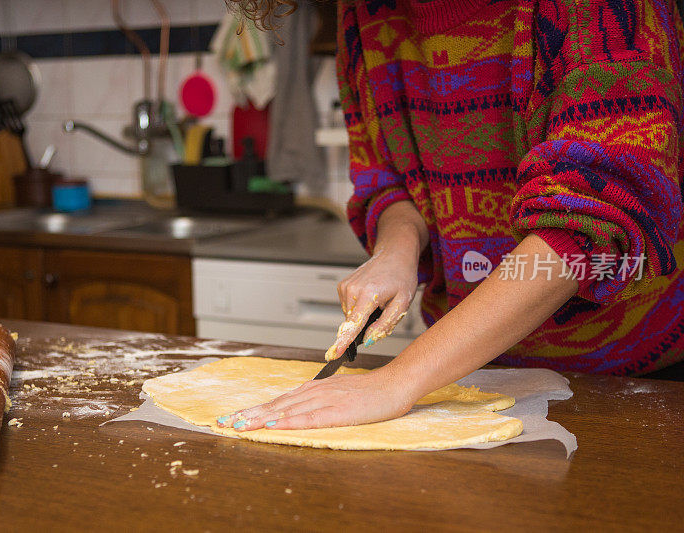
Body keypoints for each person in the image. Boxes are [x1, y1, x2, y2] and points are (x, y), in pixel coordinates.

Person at [217, 0, 684, 433]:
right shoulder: (364, 11)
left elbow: (587, 229)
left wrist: (395, 381)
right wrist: (395, 248)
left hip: (634, 380)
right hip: (468, 376)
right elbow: (385, 175)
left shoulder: (601, 10)